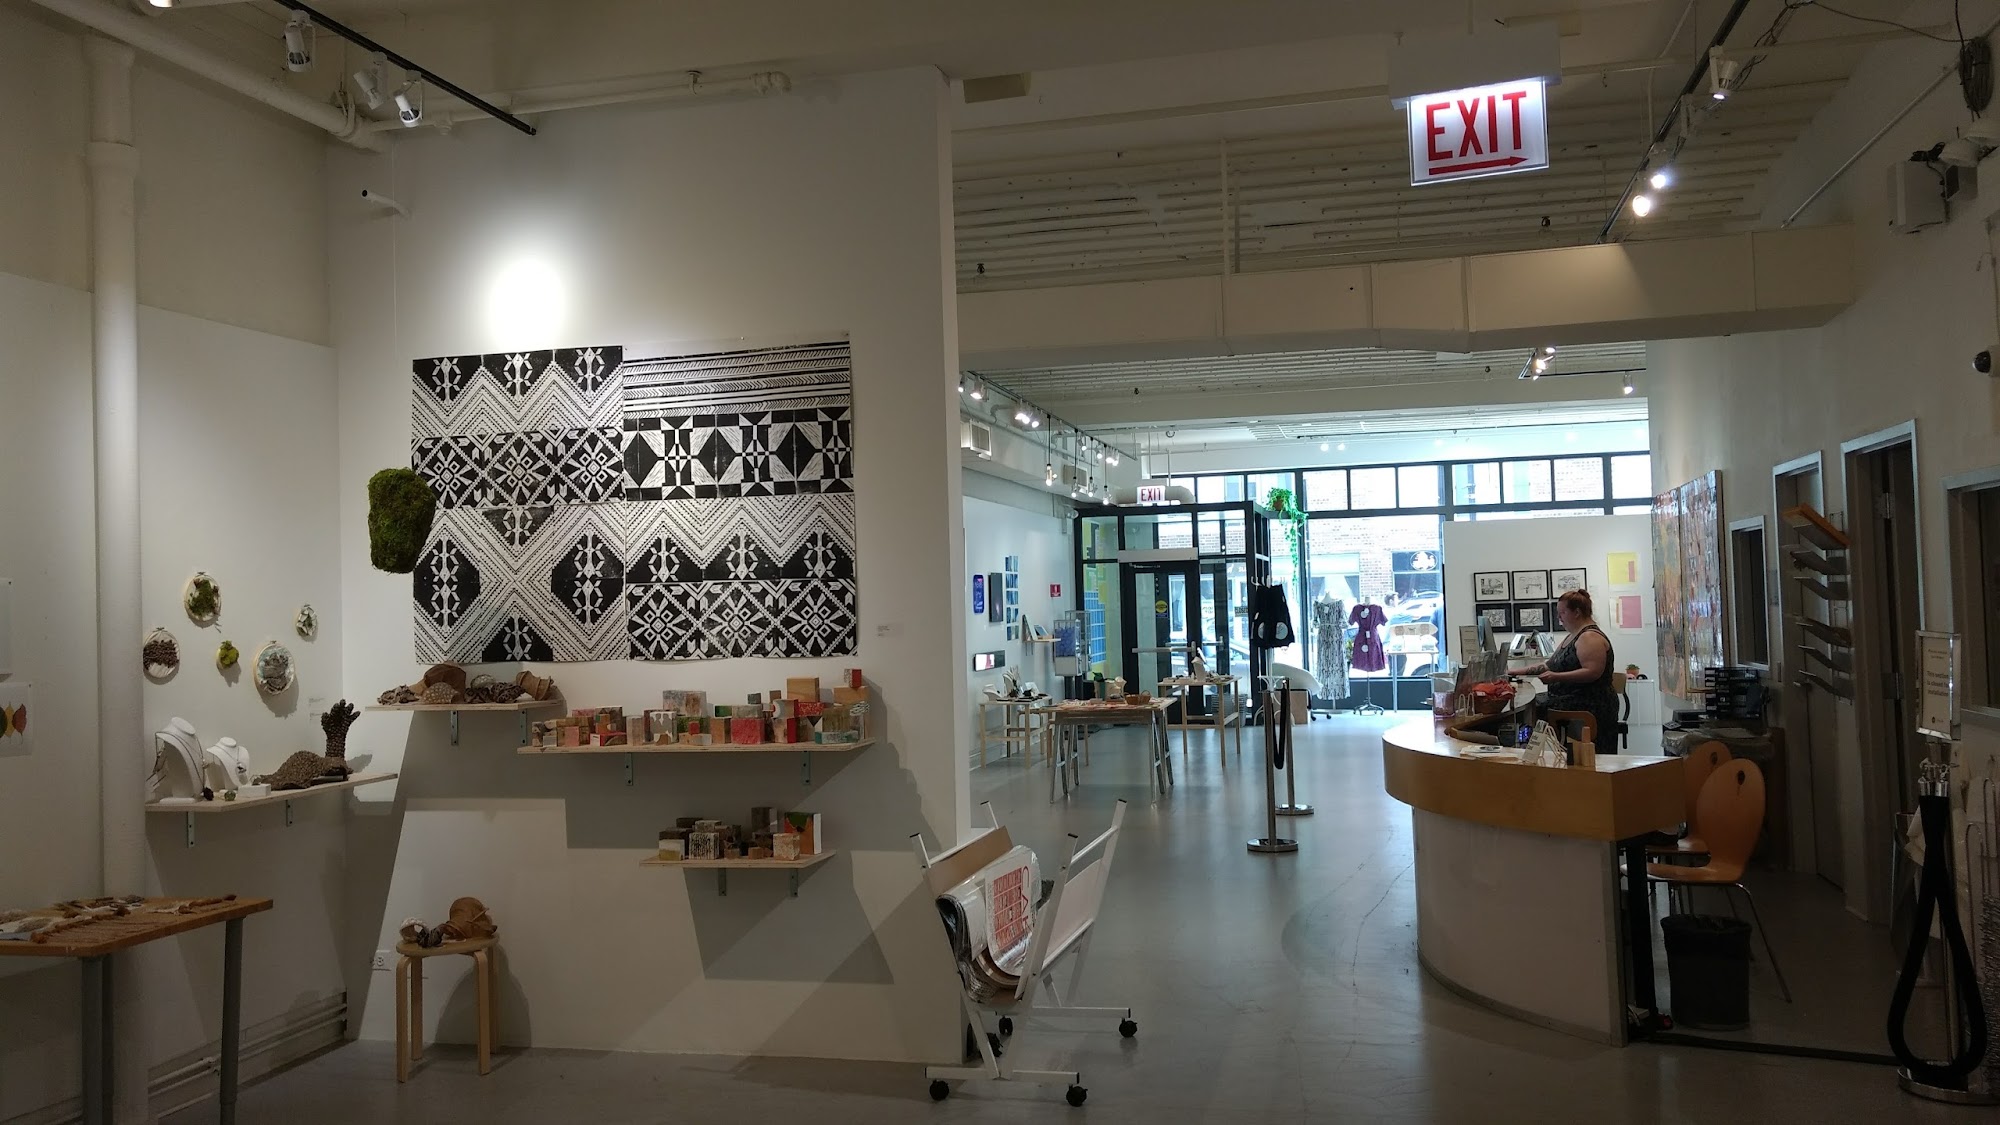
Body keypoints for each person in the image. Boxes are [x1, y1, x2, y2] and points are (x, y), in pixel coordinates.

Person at [1525, 590, 1618, 749]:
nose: (1559, 617)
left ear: (1577, 613)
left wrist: (1556, 677)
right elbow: (1549, 665)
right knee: (1533, 703)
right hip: (1571, 697)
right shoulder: (1572, 636)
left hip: (1589, 702)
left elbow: (1592, 672)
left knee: (1532, 708)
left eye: (1562, 612)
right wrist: (1514, 672)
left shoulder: (1590, 637)